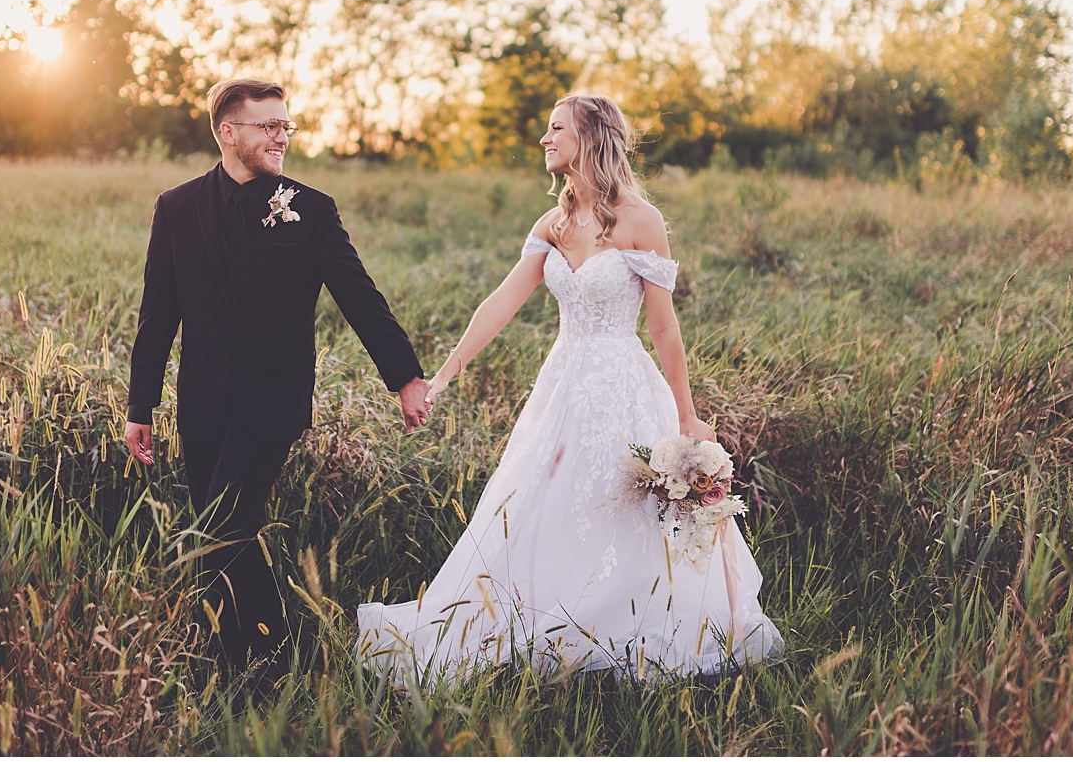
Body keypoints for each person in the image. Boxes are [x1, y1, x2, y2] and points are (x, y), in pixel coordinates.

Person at [357, 96, 781, 683]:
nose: (544, 139)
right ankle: (543, 619)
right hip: (563, 385)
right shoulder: (552, 223)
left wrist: (687, 415)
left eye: (556, 129)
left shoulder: (640, 220)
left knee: (629, 503)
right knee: (539, 501)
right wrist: (445, 374)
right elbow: (501, 303)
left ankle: (625, 625)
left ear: (590, 137)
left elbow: (663, 327)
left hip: (624, 384)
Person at [124, 79, 429, 671]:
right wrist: (142, 406)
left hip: (273, 402)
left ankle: (277, 657)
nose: (281, 136)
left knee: (222, 522)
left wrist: (405, 377)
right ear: (227, 131)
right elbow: (157, 314)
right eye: (268, 126)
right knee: (217, 530)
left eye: (285, 125)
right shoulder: (177, 207)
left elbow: (358, 295)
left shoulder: (309, 209)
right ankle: (231, 656)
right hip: (203, 400)